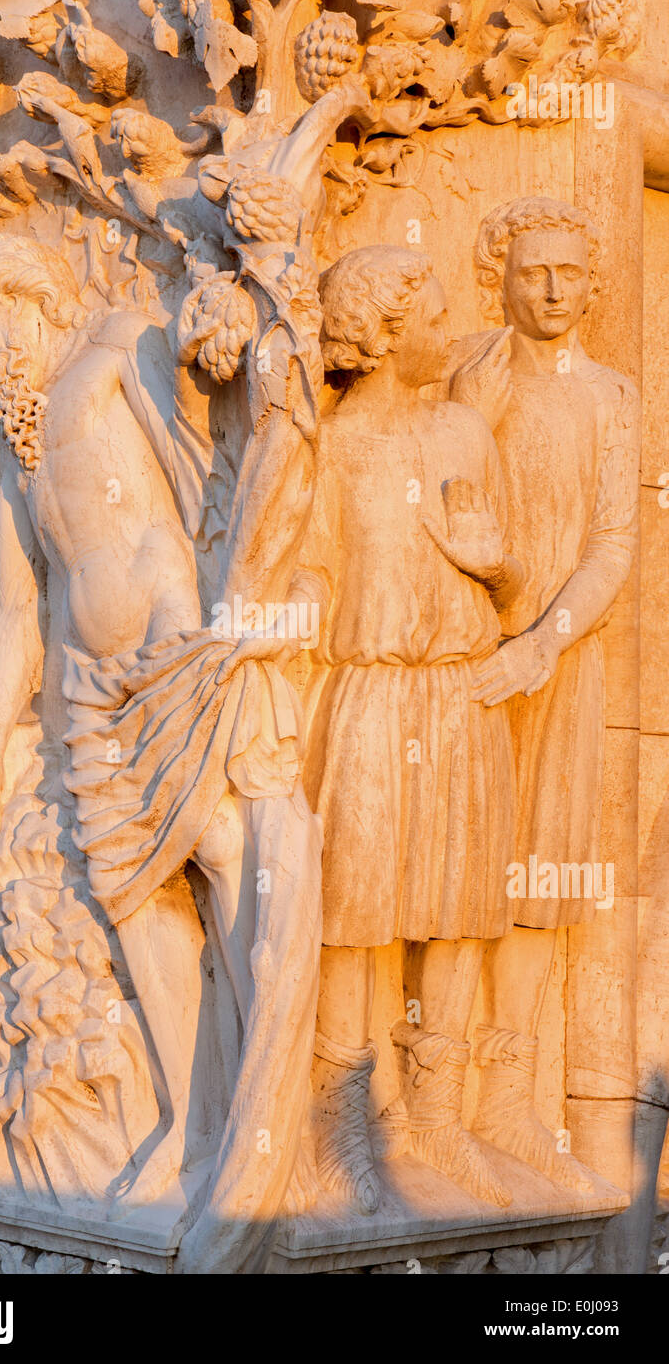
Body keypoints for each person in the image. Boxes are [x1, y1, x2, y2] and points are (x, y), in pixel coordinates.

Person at [0, 233, 323, 1271]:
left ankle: (274, 1113)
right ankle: (194, 1133)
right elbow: (18, 605)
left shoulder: (110, 352)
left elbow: (203, 441)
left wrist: (224, 310)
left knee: (230, 858)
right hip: (86, 705)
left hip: (167, 653)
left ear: (22, 296)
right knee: (138, 904)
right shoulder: (17, 469)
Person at [289, 244, 521, 1212]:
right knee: (356, 913)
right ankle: (341, 1126)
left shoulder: (469, 436)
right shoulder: (335, 444)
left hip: (462, 696)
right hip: (371, 697)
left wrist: (499, 568)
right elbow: (310, 570)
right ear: (384, 335)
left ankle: (437, 1119)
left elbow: (514, 596)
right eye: (430, 317)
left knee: (460, 909)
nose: (448, 334)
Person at [464, 198, 640, 1190]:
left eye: (570, 271)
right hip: (464, 656)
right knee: (461, 866)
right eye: (533, 270)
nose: (553, 289)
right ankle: (430, 1097)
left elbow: (614, 542)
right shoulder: (473, 375)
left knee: (542, 874)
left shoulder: (611, 398)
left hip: (559, 663)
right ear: (503, 274)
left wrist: (542, 643)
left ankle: (508, 1090)